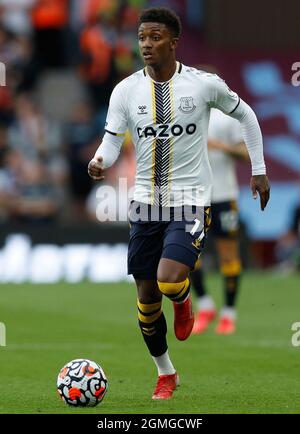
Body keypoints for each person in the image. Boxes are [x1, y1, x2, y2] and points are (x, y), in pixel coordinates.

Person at [88, 7, 270, 400]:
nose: (146, 45)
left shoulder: (204, 85)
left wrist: (259, 169)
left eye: (155, 37)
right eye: (141, 38)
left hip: (191, 200)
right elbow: (112, 139)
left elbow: (248, 115)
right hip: (145, 204)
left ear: (173, 41)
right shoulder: (125, 90)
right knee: (146, 296)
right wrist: (100, 159)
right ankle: (166, 373)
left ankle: (184, 300)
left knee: (170, 279)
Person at [191, 108, 249, 335]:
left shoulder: (227, 119)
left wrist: (220, 146)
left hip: (224, 197)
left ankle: (229, 314)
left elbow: (245, 154)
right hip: (193, 198)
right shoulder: (186, 116)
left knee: (228, 254)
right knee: (189, 256)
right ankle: (205, 306)